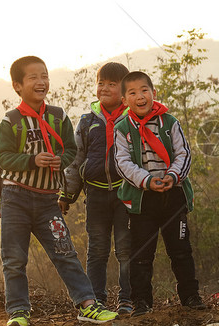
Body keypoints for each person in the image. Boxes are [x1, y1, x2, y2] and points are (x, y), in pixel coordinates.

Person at [0, 56, 118, 326]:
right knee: (14, 258)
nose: (41, 82)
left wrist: (58, 161)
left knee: (65, 253)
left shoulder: (59, 115)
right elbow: (3, 157)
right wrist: (32, 161)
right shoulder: (10, 120)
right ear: (18, 85)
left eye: (45, 76)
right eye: (33, 78)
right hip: (14, 198)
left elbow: (71, 152)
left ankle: (88, 305)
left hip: (47, 201)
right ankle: (18, 313)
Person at [113, 71, 205, 317]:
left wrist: (172, 176)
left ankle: (190, 296)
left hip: (173, 195)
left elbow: (183, 153)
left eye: (144, 90)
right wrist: (147, 180)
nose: (139, 96)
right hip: (142, 199)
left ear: (153, 93)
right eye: (132, 93)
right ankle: (141, 302)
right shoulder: (122, 128)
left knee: (181, 250)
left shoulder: (170, 122)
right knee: (141, 254)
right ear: (124, 101)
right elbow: (122, 163)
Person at [59, 62, 132, 314]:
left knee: (126, 249)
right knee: (97, 250)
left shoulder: (132, 118)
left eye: (112, 84)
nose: (104, 88)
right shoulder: (87, 121)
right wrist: (67, 194)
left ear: (124, 89)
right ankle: (97, 299)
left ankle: (127, 300)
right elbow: (76, 160)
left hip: (126, 194)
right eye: (101, 82)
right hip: (96, 194)